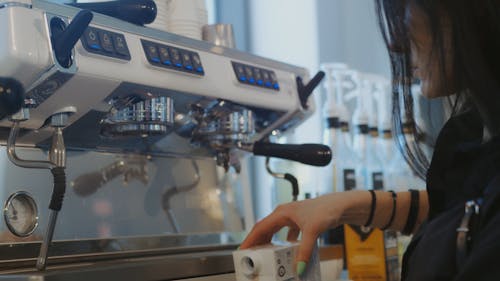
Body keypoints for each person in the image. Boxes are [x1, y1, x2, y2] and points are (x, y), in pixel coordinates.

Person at [240, 0, 500, 280]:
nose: (396, 43)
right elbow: (458, 213)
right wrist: (345, 206)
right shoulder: (474, 135)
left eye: (405, 10)